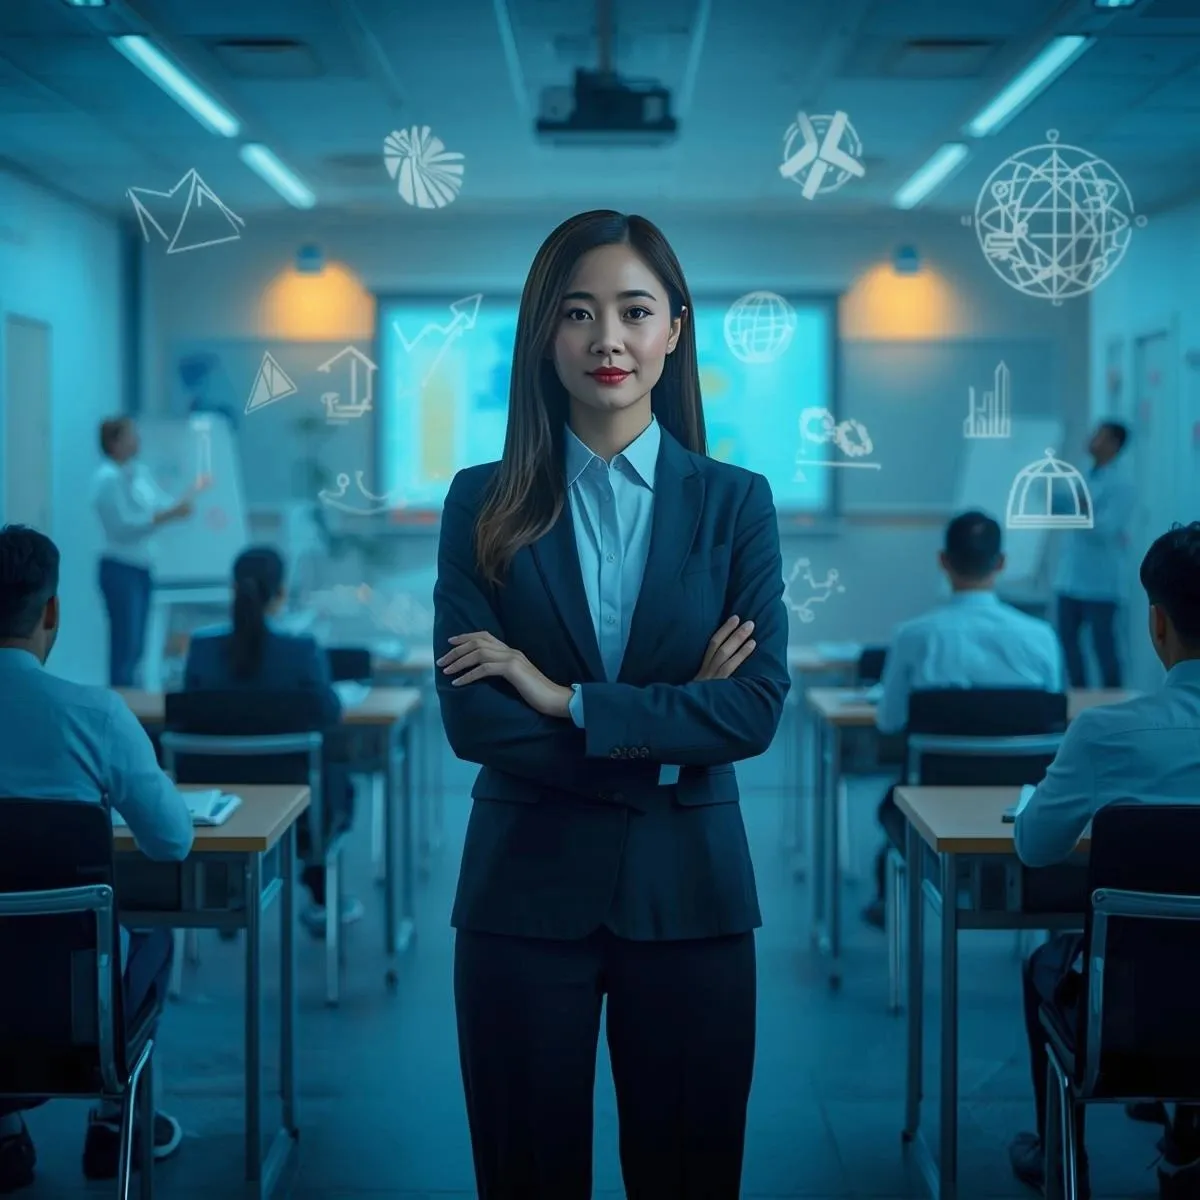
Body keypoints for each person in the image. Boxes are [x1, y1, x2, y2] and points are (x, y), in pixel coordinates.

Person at [433, 210, 790, 1199]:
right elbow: (476, 722)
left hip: (693, 899)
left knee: (691, 1178)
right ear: (544, 335)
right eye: (578, 313)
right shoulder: (481, 504)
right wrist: (672, 734)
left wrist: (566, 699)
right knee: (525, 1178)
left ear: (673, 329)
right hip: (521, 899)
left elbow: (755, 710)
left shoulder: (735, 503)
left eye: (635, 311)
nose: (608, 341)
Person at [1010, 521, 1200, 1199]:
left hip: (1131, 1019)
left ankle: (1063, 1160)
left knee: (1045, 965)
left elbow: (1035, 848)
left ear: (1157, 624)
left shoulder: (1106, 734)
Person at [0, 524, 192, 1191]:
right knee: (152, 935)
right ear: (51, 611)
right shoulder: (95, 716)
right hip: (78, 1022)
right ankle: (116, 1121)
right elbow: (173, 841)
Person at [862, 510, 1064, 928]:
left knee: (890, 805)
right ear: (1002, 562)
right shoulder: (1041, 636)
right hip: (1020, 803)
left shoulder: (914, 636)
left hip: (930, 800)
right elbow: (1054, 721)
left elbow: (888, 722)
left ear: (943, 560)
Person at [184, 546, 363, 935]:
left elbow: (190, 711)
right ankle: (320, 896)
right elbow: (329, 711)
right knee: (332, 773)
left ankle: (226, 888)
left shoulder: (201, 649)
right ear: (280, 593)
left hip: (214, 809)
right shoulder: (300, 651)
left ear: (232, 589)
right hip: (296, 812)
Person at [93, 416, 198, 687]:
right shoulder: (107, 479)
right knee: (125, 645)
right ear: (114, 443)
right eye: (130, 435)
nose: (137, 440)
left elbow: (159, 505)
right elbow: (123, 527)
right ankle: (121, 705)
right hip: (120, 567)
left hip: (142, 568)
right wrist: (168, 515)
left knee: (138, 645)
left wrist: (182, 504)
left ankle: (134, 705)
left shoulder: (138, 473)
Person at [1055, 420, 1136, 689]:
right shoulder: (1084, 473)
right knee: (1067, 643)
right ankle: (1077, 699)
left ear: (1114, 444)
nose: (1092, 440)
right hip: (1070, 579)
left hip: (1101, 584)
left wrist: (1080, 508)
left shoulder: (1122, 484)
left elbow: (1106, 528)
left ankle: (1114, 704)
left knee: (1104, 648)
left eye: (1099, 436)